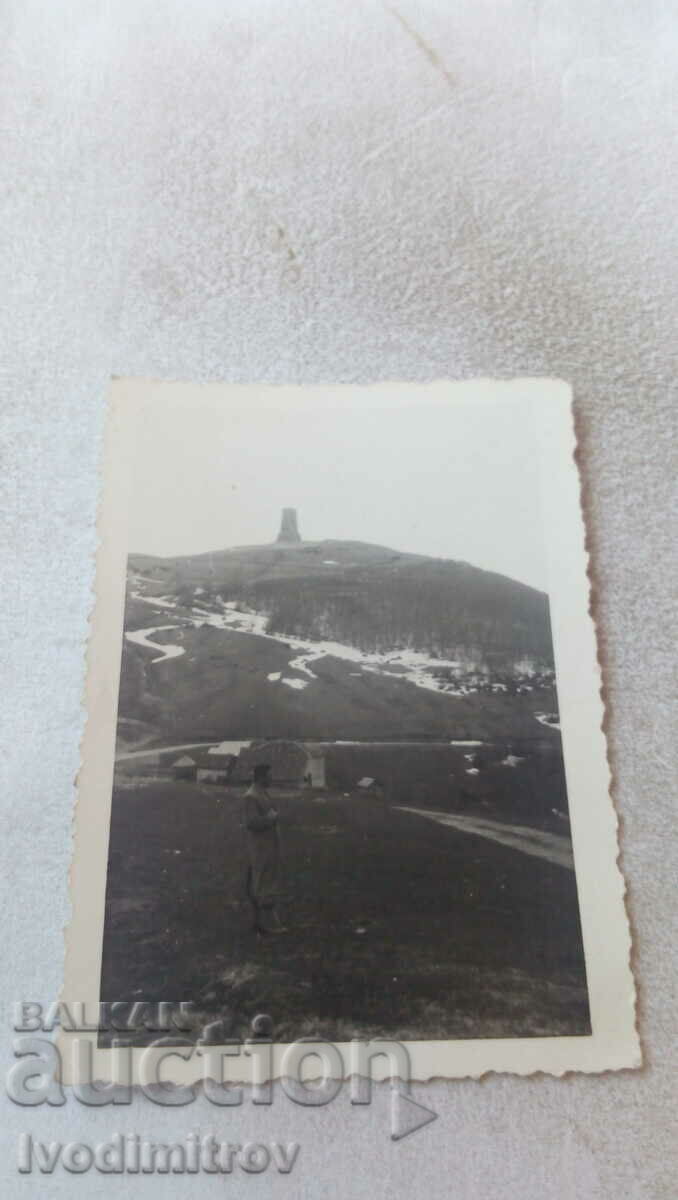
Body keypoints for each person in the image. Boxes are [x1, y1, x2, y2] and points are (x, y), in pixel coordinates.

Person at [243, 763, 287, 934]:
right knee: (262, 884)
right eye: (269, 775)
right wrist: (271, 818)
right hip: (261, 848)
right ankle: (266, 924)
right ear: (261, 777)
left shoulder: (261, 793)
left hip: (268, 845)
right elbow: (251, 822)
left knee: (266, 882)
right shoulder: (251, 796)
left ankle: (261, 923)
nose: (271, 778)